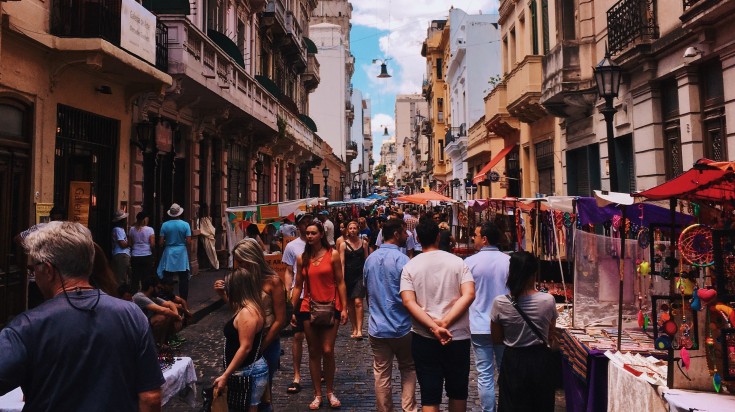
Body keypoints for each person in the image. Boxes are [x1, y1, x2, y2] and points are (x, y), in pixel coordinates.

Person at [0, 221, 164, 411]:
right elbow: (151, 397)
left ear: (48, 270)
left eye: (34, 268)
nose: (34, 274)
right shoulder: (132, 314)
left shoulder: (25, 327)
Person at [400, 219, 475, 412]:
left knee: (429, 395)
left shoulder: (410, 266)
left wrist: (434, 327)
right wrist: (446, 322)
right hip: (456, 336)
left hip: (425, 337)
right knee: (458, 392)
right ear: (438, 237)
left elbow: (409, 302)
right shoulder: (458, 263)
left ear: (417, 238)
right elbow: (469, 294)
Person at [217, 237, 287, 412]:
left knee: (262, 393)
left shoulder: (273, 281)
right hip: (245, 342)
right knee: (243, 394)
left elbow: (280, 320)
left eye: (241, 262)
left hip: (267, 342)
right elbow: (240, 311)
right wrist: (223, 295)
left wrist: (261, 346)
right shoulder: (243, 279)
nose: (238, 266)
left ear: (252, 259)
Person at [290, 220, 348, 410]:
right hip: (308, 307)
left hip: (331, 307)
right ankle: (317, 394)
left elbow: (340, 282)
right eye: (307, 233)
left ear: (321, 235)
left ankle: (330, 391)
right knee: (313, 351)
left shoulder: (333, 255)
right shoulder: (302, 258)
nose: (310, 236)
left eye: (313, 233)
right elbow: (298, 285)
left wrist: (345, 307)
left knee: (328, 350)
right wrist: (292, 309)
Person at [491, 251, 558, 412]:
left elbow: (497, 338)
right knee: (541, 404)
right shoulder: (548, 300)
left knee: (512, 405)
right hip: (540, 359)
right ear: (534, 273)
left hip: (513, 359)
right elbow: (551, 332)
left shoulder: (500, 303)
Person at [364, 218, 417, 412]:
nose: (406, 236)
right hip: (402, 326)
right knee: (408, 368)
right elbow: (411, 295)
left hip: (378, 327)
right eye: (404, 232)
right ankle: (408, 408)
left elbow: (368, 293)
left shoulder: (370, 259)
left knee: (382, 373)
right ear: (396, 234)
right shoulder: (404, 261)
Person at [464, 222, 510, 412]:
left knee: (484, 374)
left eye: (475, 235)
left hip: (479, 325)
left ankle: (488, 410)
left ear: (484, 239)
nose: (472, 238)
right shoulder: (508, 261)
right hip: (504, 324)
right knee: (504, 371)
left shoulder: (469, 263)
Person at [213, 268, 269, 412]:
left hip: (248, 371)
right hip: (247, 370)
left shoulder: (248, 313)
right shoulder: (250, 307)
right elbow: (236, 310)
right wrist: (222, 294)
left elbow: (245, 347)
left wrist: (225, 375)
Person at [282, 211, 312, 395]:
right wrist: (288, 292)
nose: (306, 225)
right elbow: (288, 271)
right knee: (298, 336)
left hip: (317, 295)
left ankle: (320, 370)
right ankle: (297, 375)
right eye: (303, 222)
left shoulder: (319, 246)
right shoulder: (292, 246)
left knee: (316, 338)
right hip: (298, 294)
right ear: (298, 226)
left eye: (309, 222)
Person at [339, 220, 368, 339]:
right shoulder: (343, 245)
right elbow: (342, 263)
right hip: (348, 276)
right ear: (347, 230)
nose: (352, 230)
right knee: (350, 304)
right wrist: (341, 278)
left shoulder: (364, 243)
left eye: (354, 228)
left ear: (358, 230)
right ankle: (354, 328)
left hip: (360, 275)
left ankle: (360, 329)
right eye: (350, 228)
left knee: (358, 302)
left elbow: (367, 260)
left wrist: (367, 275)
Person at [133, 277, 183, 346]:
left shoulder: (152, 297)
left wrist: (176, 315)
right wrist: (178, 317)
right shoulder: (140, 297)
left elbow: (170, 303)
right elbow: (163, 310)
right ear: (151, 287)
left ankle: (161, 344)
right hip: (138, 326)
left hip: (147, 322)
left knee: (170, 315)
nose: (159, 290)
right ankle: (154, 345)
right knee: (161, 317)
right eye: (158, 288)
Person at [157, 203, 192, 300]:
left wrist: (166, 242)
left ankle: (168, 298)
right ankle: (183, 299)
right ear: (179, 213)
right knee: (183, 278)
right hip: (181, 252)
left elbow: (160, 242)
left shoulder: (165, 225)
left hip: (169, 251)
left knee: (168, 276)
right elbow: (189, 241)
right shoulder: (185, 225)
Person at [129, 211, 155, 291]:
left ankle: (134, 294)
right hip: (146, 255)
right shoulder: (150, 230)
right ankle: (144, 294)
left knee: (135, 277)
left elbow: (130, 243)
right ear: (145, 219)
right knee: (146, 277)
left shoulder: (132, 229)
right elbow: (152, 244)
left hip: (135, 255)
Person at [110, 209, 131, 285]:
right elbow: (122, 244)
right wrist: (131, 241)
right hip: (121, 254)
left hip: (122, 254)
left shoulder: (120, 229)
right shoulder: (118, 229)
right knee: (121, 278)